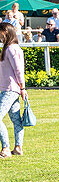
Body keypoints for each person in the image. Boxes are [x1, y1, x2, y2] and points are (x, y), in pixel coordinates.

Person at [0, 22, 27, 158]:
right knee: (16, 120)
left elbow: (18, 70)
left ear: (5, 32)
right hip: (10, 88)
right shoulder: (10, 48)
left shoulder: (12, 48)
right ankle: (18, 147)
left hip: (10, 89)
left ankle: (5, 148)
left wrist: (23, 88)